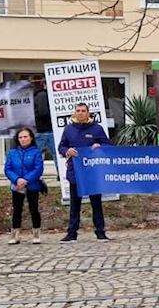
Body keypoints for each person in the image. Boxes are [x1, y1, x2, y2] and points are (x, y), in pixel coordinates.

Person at [59, 102, 111, 242]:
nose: (80, 113)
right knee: (75, 204)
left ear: (88, 113)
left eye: (83, 111)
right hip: (75, 172)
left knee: (96, 203)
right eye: (78, 111)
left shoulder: (97, 129)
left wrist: (99, 145)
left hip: (93, 172)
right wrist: (67, 151)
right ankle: (72, 233)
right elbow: (61, 147)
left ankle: (100, 232)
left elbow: (108, 145)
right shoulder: (68, 129)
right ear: (74, 113)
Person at [4, 126, 46, 245]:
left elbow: (38, 168)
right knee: (17, 209)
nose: (23, 139)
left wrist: (26, 180)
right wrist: (17, 179)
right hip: (17, 185)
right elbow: (8, 169)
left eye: (25, 137)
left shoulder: (36, 152)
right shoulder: (12, 153)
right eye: (20, 137)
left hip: (32, 185)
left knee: (34, 209)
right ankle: (15, 234)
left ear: (31, 138)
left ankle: (36, 233)